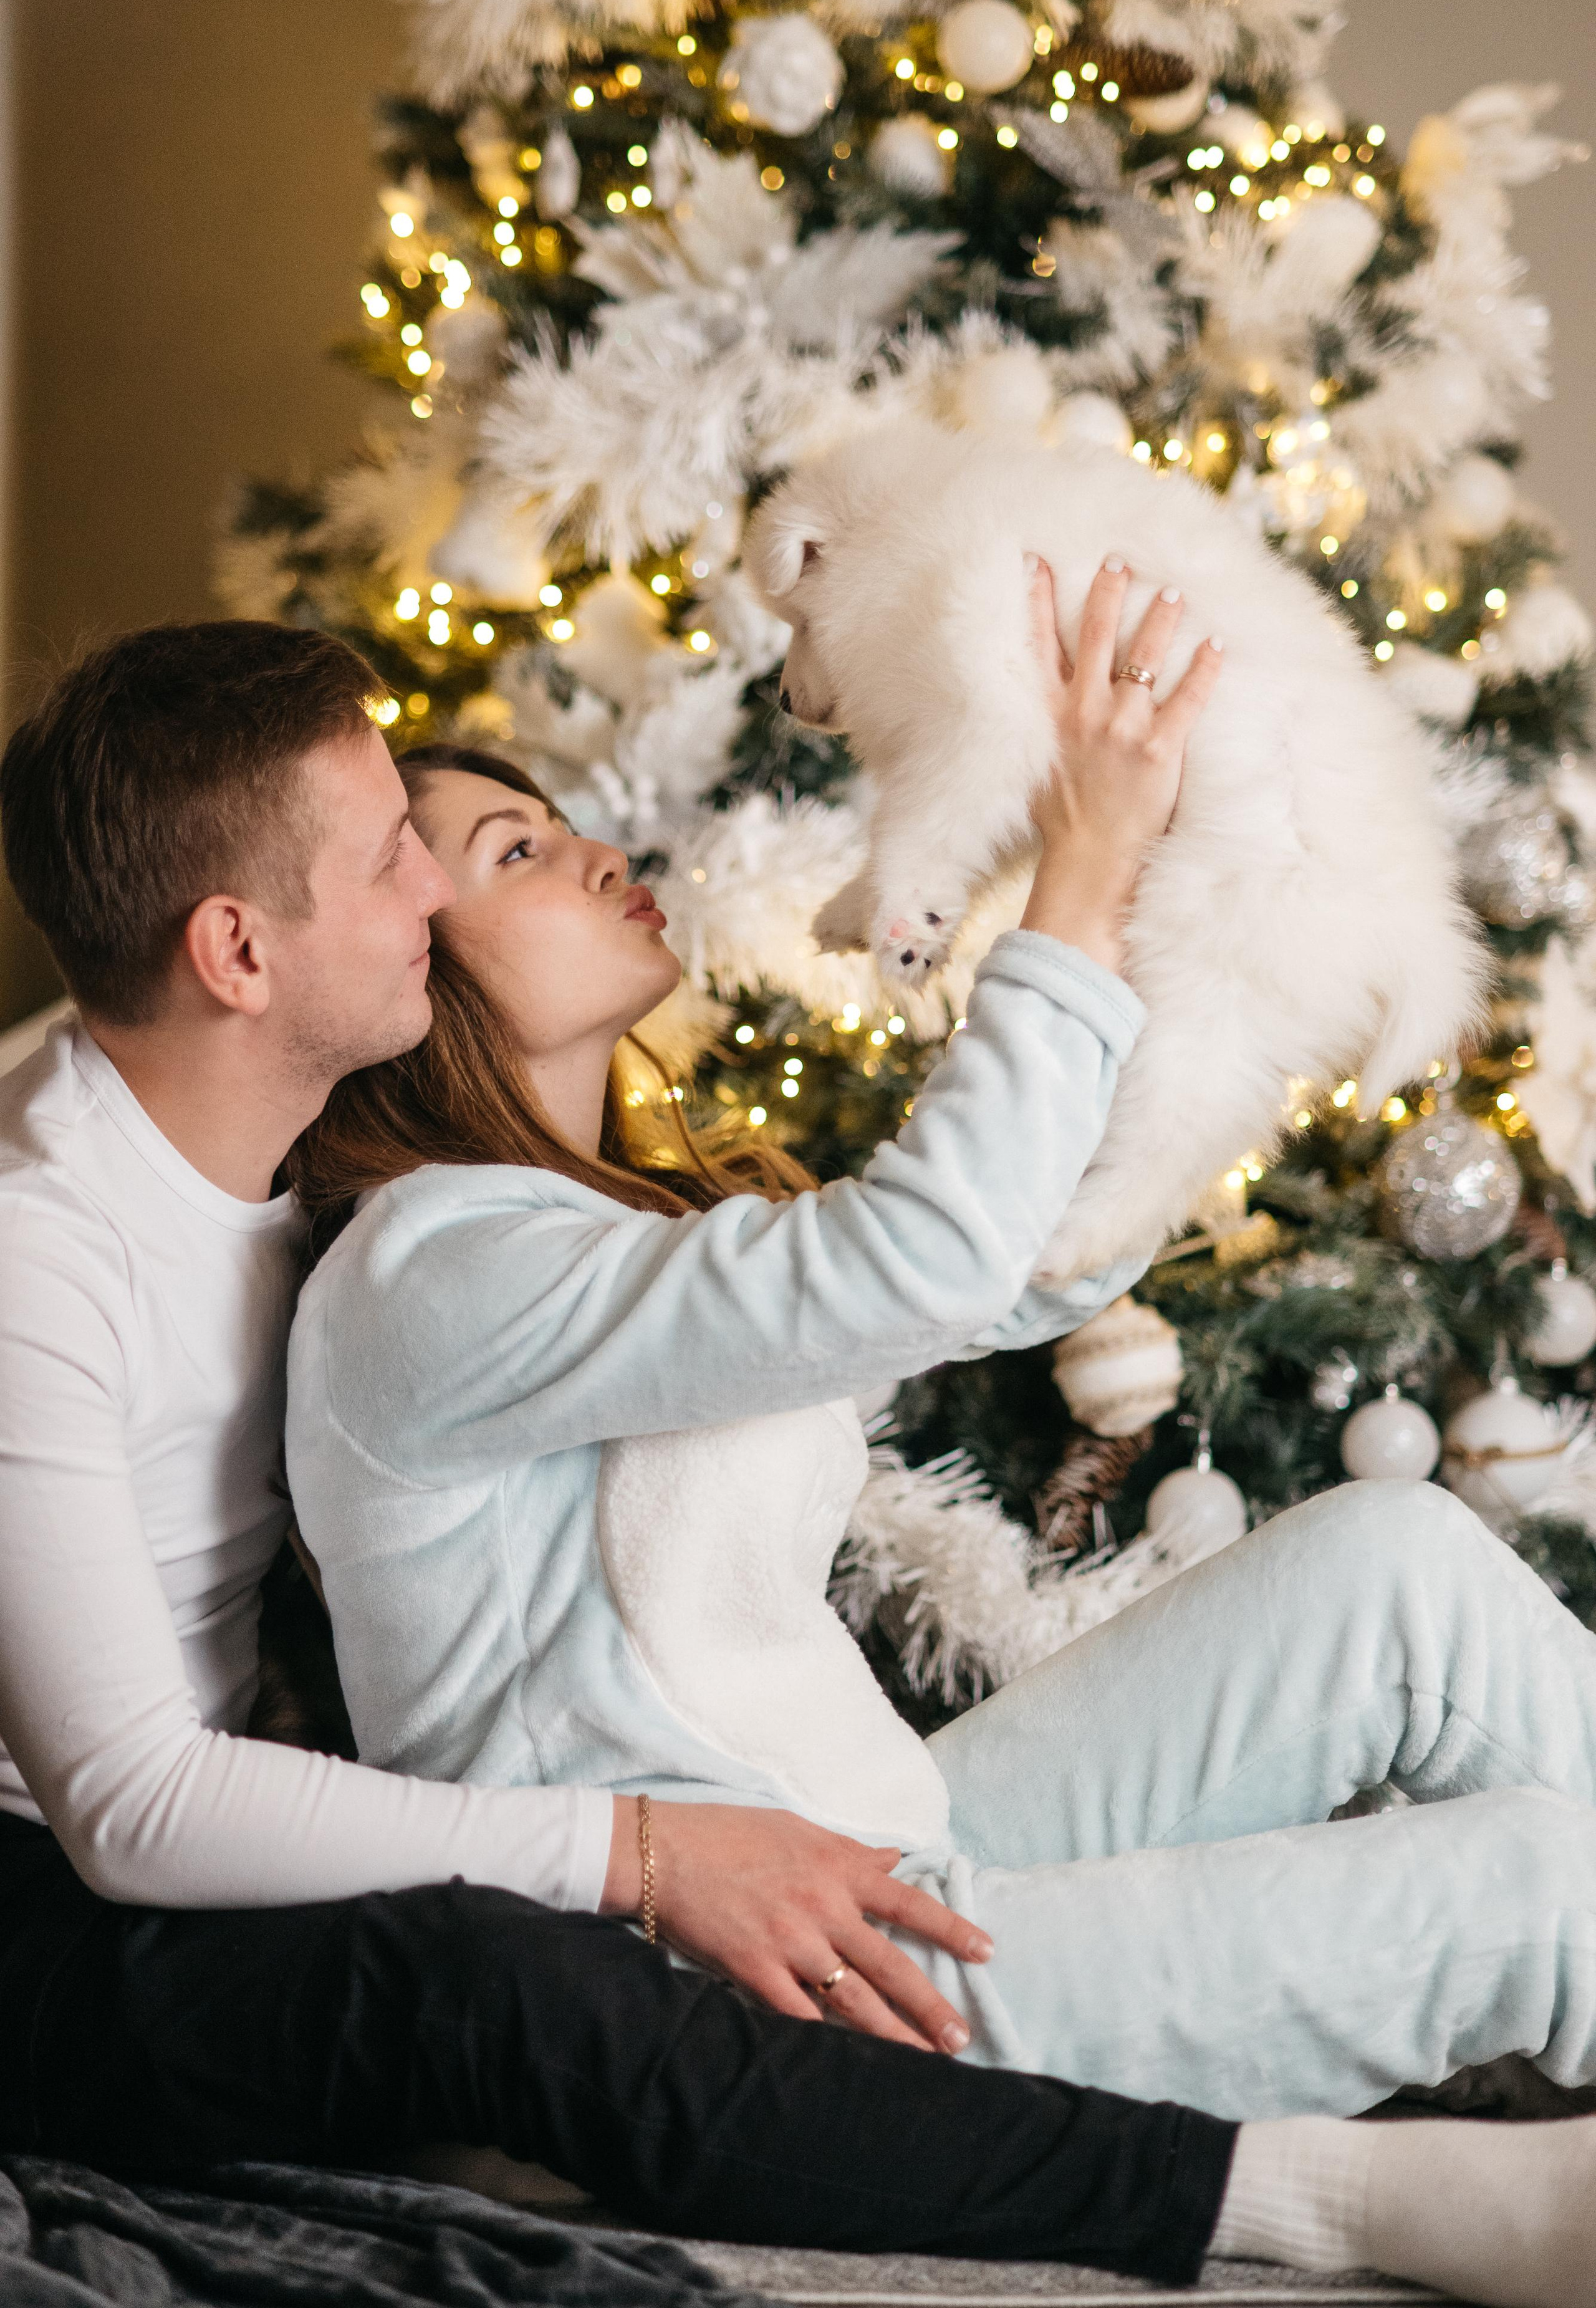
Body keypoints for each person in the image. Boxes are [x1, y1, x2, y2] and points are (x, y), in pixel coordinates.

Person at [0, 615, 1590, 2308]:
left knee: (1392, 1560)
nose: (432, 887)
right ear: (242, 953)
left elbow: (1005, 1256)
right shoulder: (313, 1262)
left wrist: (1150, 906)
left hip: (853, 1846)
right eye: (430, 850)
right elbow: (137, 1801)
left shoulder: (479, 1228)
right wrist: (1078, 855)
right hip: (720, 1972)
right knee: (1538, 1881)